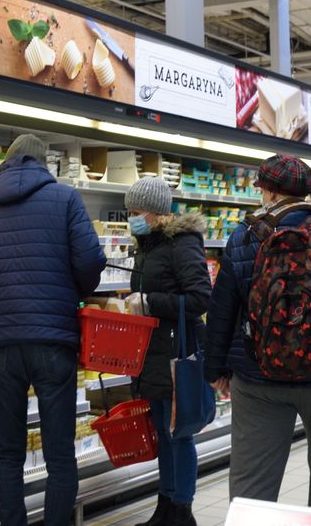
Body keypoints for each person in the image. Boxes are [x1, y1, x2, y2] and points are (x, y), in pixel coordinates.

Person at [0, 134, 106, 526]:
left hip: (1, 343)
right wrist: (77, 291)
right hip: (53, 339)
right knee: (60, 454)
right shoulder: (65, 199)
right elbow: (91, 261)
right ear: (42, 164)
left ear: (7, 163)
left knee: (9, 452)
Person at [205, 154, 311, 512]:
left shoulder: (244, 237)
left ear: (267, 191)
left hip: (258, 382)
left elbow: (221, 310)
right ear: (310, 192)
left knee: (251, 485)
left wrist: (216, 370)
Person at [124, 178, 212, 526]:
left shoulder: (183, 243)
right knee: (163, 432)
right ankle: (165, 506)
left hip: (179, 350)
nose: (132, 218)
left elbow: (200, 298)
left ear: (157, 213)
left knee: (179, 433)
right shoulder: (147, 245)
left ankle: (182, 511)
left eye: (136, 212)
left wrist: (149, 303)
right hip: (152, 351)